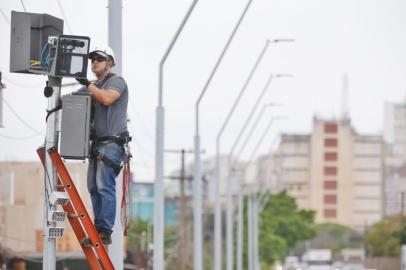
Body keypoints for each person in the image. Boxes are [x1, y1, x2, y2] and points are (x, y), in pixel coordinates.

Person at [75, 45, 129, 245]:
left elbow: (106, 99)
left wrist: (87, 84)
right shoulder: (93, 86)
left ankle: (105, 230)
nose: (94, 62)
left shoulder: (116, 81)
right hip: (97, 145)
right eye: (92, 59)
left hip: (111, 143)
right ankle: (99, 230)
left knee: (103, 185)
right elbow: (72, 100)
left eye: (99, 58)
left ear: (110, 62)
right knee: (93, 186)